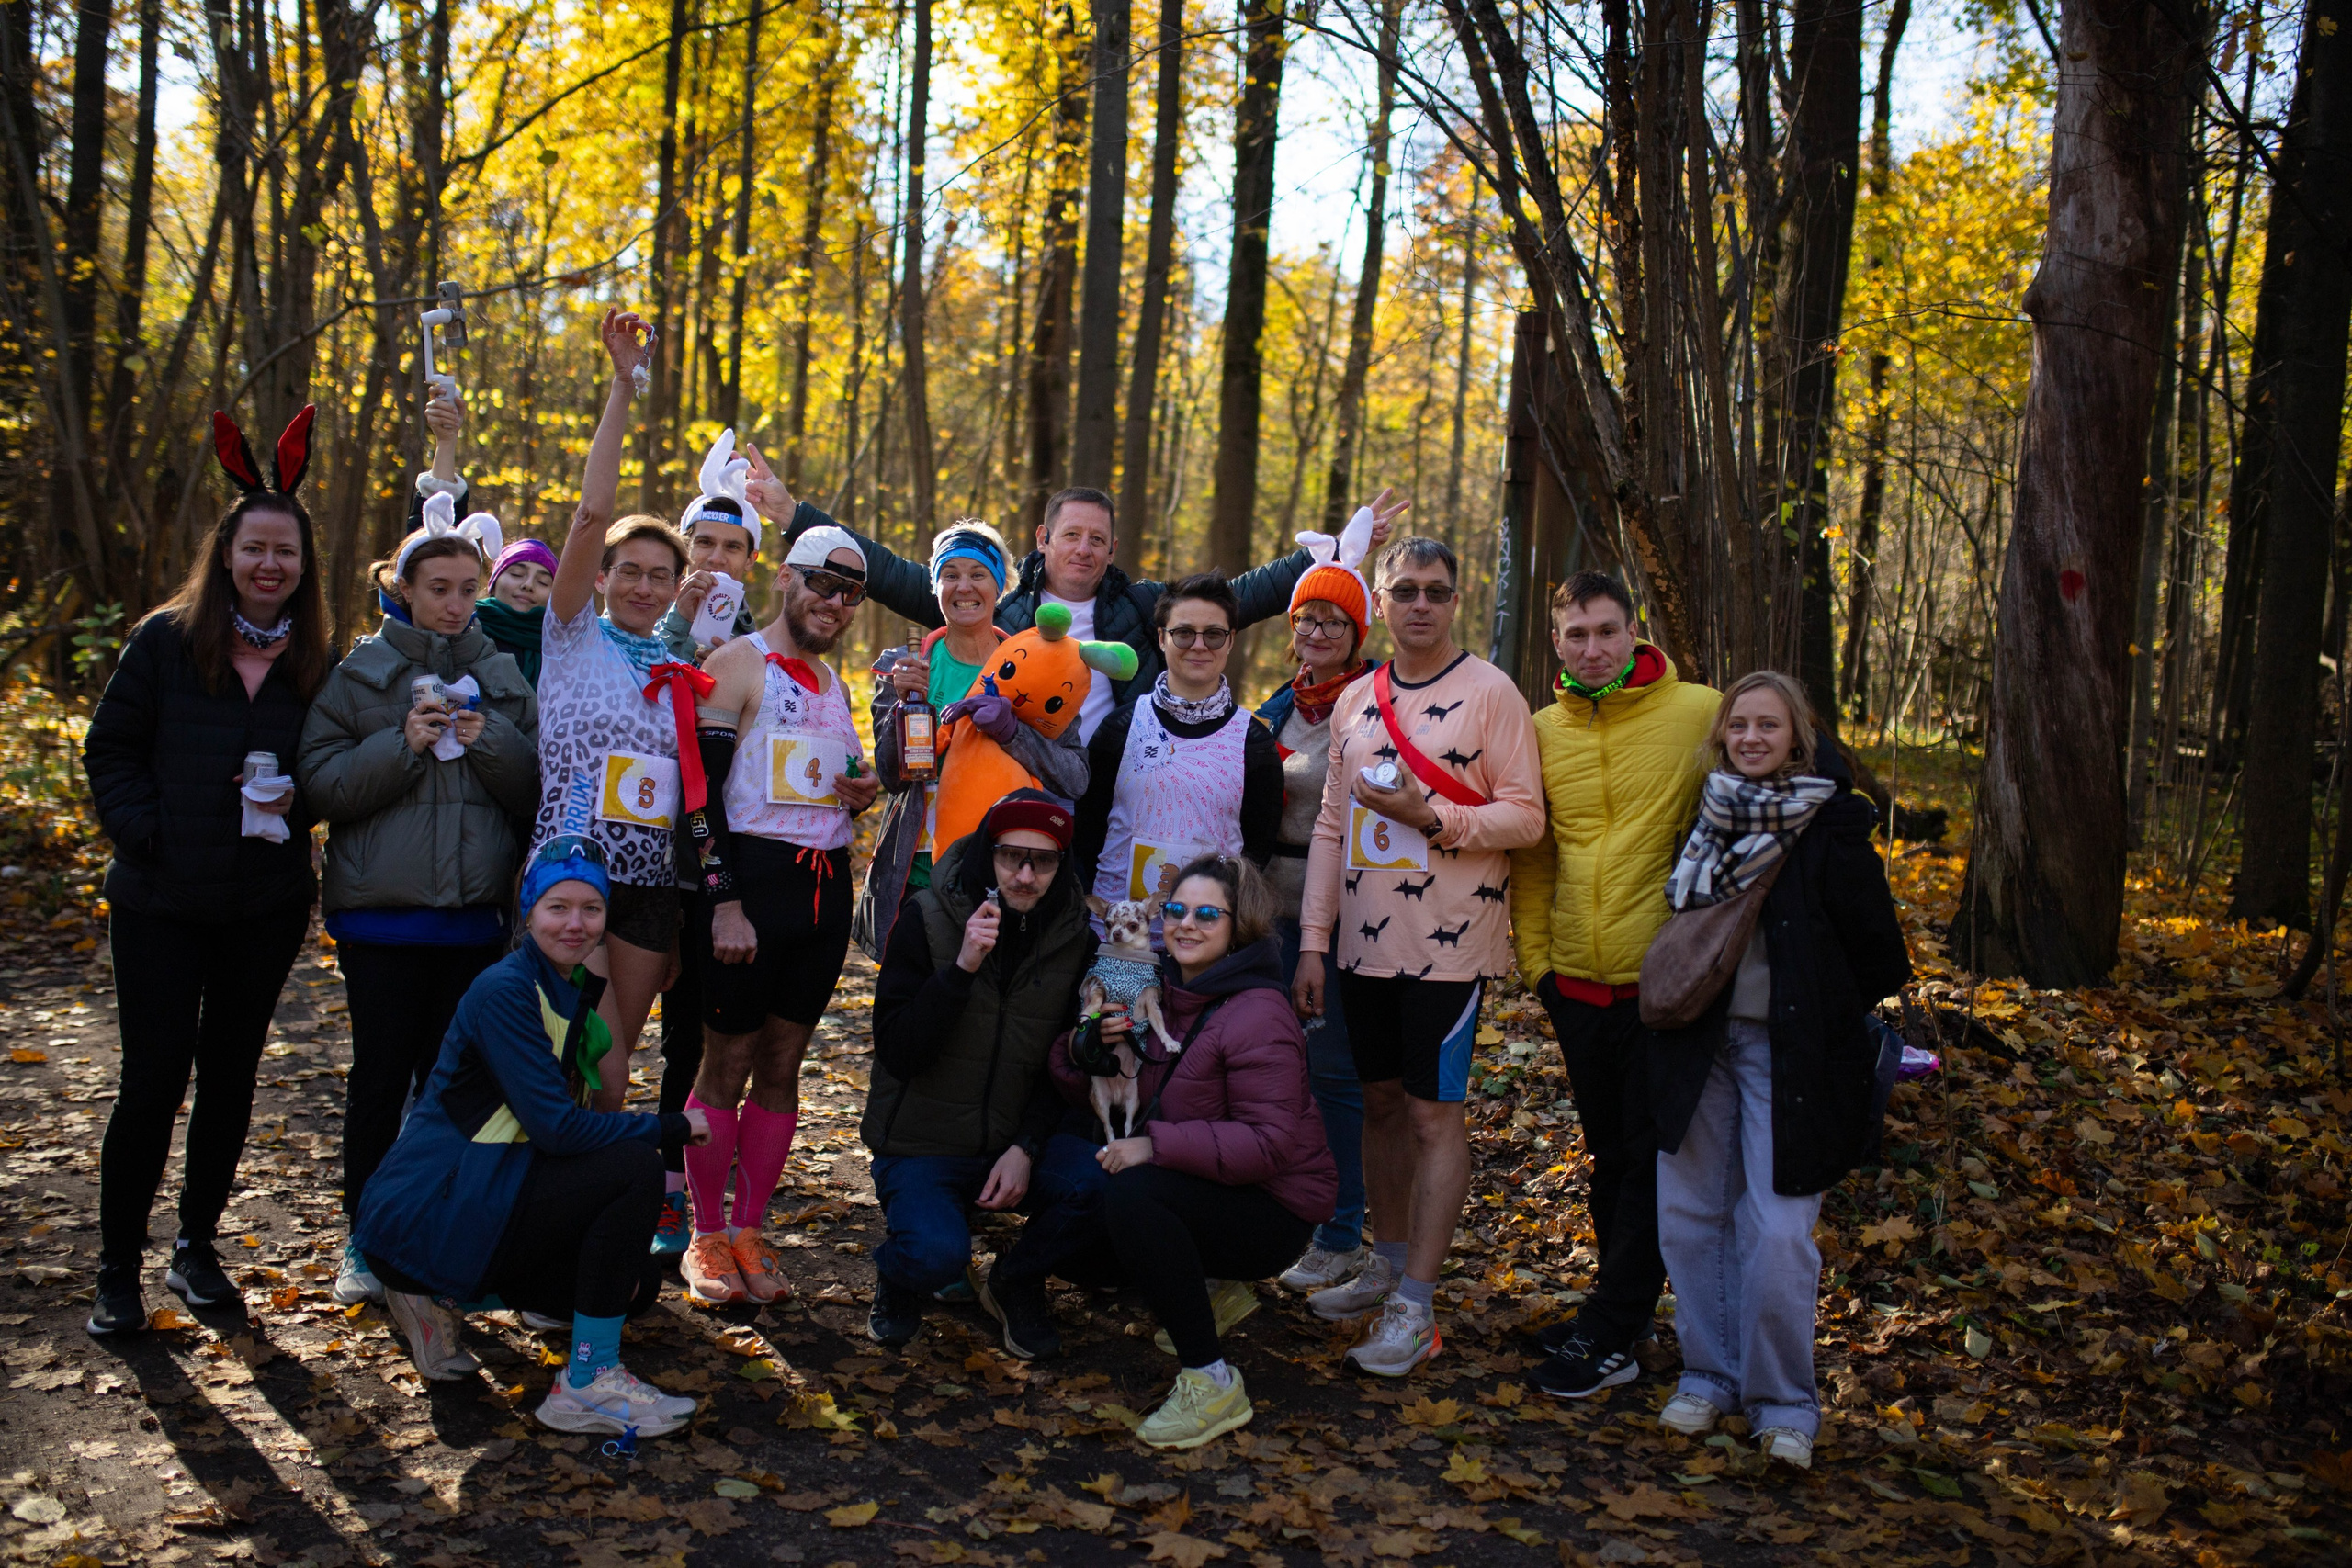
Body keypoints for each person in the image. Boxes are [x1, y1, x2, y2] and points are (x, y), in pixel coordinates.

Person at [81, 406, 334, 1335]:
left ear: (305, 569)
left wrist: (296, 804)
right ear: (226, 553)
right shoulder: (164, 640)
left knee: (231, 1076)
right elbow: (108, 754)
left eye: (288, 554)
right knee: (153, 1079)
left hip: (262, 904)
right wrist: (151, 834)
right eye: (256, 549)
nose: (271, 566)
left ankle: (197, 1246)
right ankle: (117, 1267)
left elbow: (331, 774)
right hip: (159, 898)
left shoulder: (316, 660)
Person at [354, 837, 715, 1438]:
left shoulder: (564, 987)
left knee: (633, 1284)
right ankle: (587, 1383)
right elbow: (558, 1127)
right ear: (528, 911)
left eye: (591, 910)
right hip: (432, 1209)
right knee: (634, 1167)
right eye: (558, 907)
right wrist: (671, 1125)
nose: (576, 924)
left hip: (488, 1191)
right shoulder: (507, 990)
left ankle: (444, 1297)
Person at [1293, 536, 1544, 1375]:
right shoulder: (1357, 699)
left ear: (1456, 601)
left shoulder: (1491, 694)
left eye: (1437, 591)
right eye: (1405, 590)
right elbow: (1331, 827)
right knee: (1381, 1103)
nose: (1421, 605)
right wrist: (1313, 943)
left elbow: (1526, 817)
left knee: (1436, 1114)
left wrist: (1434, 817)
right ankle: (1387, 1261)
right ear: (1386, 603)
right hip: (1362, 946)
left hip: (1449, 945)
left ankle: (1419, 1304)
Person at [1649, 672, 1911, 1469]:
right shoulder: (1707, 817)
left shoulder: (1832, 826)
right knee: (1690, 1214)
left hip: (1793, 1055)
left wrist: (1812, 1006)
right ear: (1722, 735)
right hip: (1702, 1045)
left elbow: (1880, 957)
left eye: (1769, 726)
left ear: (1798, 738)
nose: (1752, 738)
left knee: (1780, 1229)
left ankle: (1785, 1400)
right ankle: (1709, 1374)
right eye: (1739, 725)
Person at [299, 498, 540, 1306]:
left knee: (457, 1086)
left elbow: (535, 788)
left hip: (473, 919)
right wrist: (398, 743)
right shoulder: (359, 673)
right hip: (382, 916)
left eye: (469, 587)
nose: (455, 602)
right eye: (438, 586)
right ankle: (365, 1236)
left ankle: (439, 1231)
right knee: (377, 1081)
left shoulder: (501, 672)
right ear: (402, 588)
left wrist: (492, 742)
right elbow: (322, 786)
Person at [1507, 571, 1718, 1399]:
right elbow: (1535, 857)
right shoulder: (1540, 730)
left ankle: (1613, 1328)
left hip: (1663, 987)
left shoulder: (1700, 712)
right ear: (1555, 643)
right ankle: (1619, 1314)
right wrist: (1540, 968)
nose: (1591, 649)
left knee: (1648, 1156)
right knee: (1610, 1158)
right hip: (1576, 986)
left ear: (1634, 631)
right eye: (1575, 635)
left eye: (1605, 631)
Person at [1046, 855, 1335, 1448]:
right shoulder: (1168, 989)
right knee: (1079, 1230)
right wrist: (1083, 1053)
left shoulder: (1258, 1013)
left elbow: (1271, 1142)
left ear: (1241, 925)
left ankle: (1210, 1381)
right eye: (1177, 910)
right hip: (1213, 1182)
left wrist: (1154, 1146)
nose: (1186, 925)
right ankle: (1210, 1288)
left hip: (1272, 1210)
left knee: (1131, 1194)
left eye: (1208, 914)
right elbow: (1126, 1089)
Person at [674, 522, 883, 1303]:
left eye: (850, 591)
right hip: (749, 889)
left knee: (784, 1065)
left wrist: (859, 794)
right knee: (724, 1062)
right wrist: (724, 901)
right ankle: (704, 1235)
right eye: (822, 582)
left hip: (824, 888)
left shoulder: (835, 684)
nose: (833, 600)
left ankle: (752, 1230)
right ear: (786, 580)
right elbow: (700, 798)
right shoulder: (734, 663)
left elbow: (825, 781)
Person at [759, 466, 1324, 740]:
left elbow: (1236, 599)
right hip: (1011, 777)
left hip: (1107, 783)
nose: (1084, 549)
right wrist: (795, 518)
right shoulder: (994, 603)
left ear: (1112, 549)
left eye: (1097, 539)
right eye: (1071, 535)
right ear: (1043, 538)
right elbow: (891, 575)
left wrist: (1322, 559)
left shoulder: (1144, 605)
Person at [863, 791, 1097, 1352]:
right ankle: (898, 1273)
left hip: (1013, 1145)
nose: (1024, 875)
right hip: (923, 1141)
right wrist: (962, 969)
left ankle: (1015, 1280)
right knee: (934, 1256)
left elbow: (1065, 1066)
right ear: (985, 856)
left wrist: (1027, 1145)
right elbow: (898, 1050)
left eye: (1042, 861)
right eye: (1010, 856)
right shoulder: (925, 918)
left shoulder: (1077, 939)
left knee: (1102, 1186)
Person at [531, 308, 695, 1106]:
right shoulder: (569, 637)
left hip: (649, 884)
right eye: (627, 570)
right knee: (572, 1061)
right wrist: (624, 387)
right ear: (601, 575)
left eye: (659, 575)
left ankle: (595, 1216)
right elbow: (592, 512)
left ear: (675, 589)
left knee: (612, 1070)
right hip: (571, 869)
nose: (640, 585)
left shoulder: (681, 669)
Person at [1257, 507, 1390, 1295]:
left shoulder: (1371, 704)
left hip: (1341, 909)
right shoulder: (1281, 703)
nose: (1317, 632)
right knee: (1277, 1068)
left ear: (1359, 630)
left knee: (1334, 1072)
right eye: (1307, 617)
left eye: (1335, 620)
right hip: (1264, 909)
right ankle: (1285, 1217)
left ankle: (1342, 1231)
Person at [858, 520, 1090, 962]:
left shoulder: (1038, 666)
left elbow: (1074, 779)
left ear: (999, 585)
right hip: (917, 875)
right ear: (935, 585)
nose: (964, 587)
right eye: (950, 574)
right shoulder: (906, 664)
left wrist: (1012, 732)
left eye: (978, 574)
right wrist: (907, 704)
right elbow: (891, 776)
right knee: (910, 1011)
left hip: (1007, 878)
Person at [1074, 574, 1283, 915]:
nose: (1198, 646)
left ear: (1230, 642)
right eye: (1184, 633)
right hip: (1117, 940)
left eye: (1214, 635)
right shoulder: (1121, 728)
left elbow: (1257, 852)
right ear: (1161, 638)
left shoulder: (1253, 742)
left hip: (1206, 945)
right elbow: (1087, 831)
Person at [478, 537, 558, 686]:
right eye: (516, 574)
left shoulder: (562, 648)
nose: (528, 585)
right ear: (494, 584)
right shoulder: (465, 627)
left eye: (543, 582)